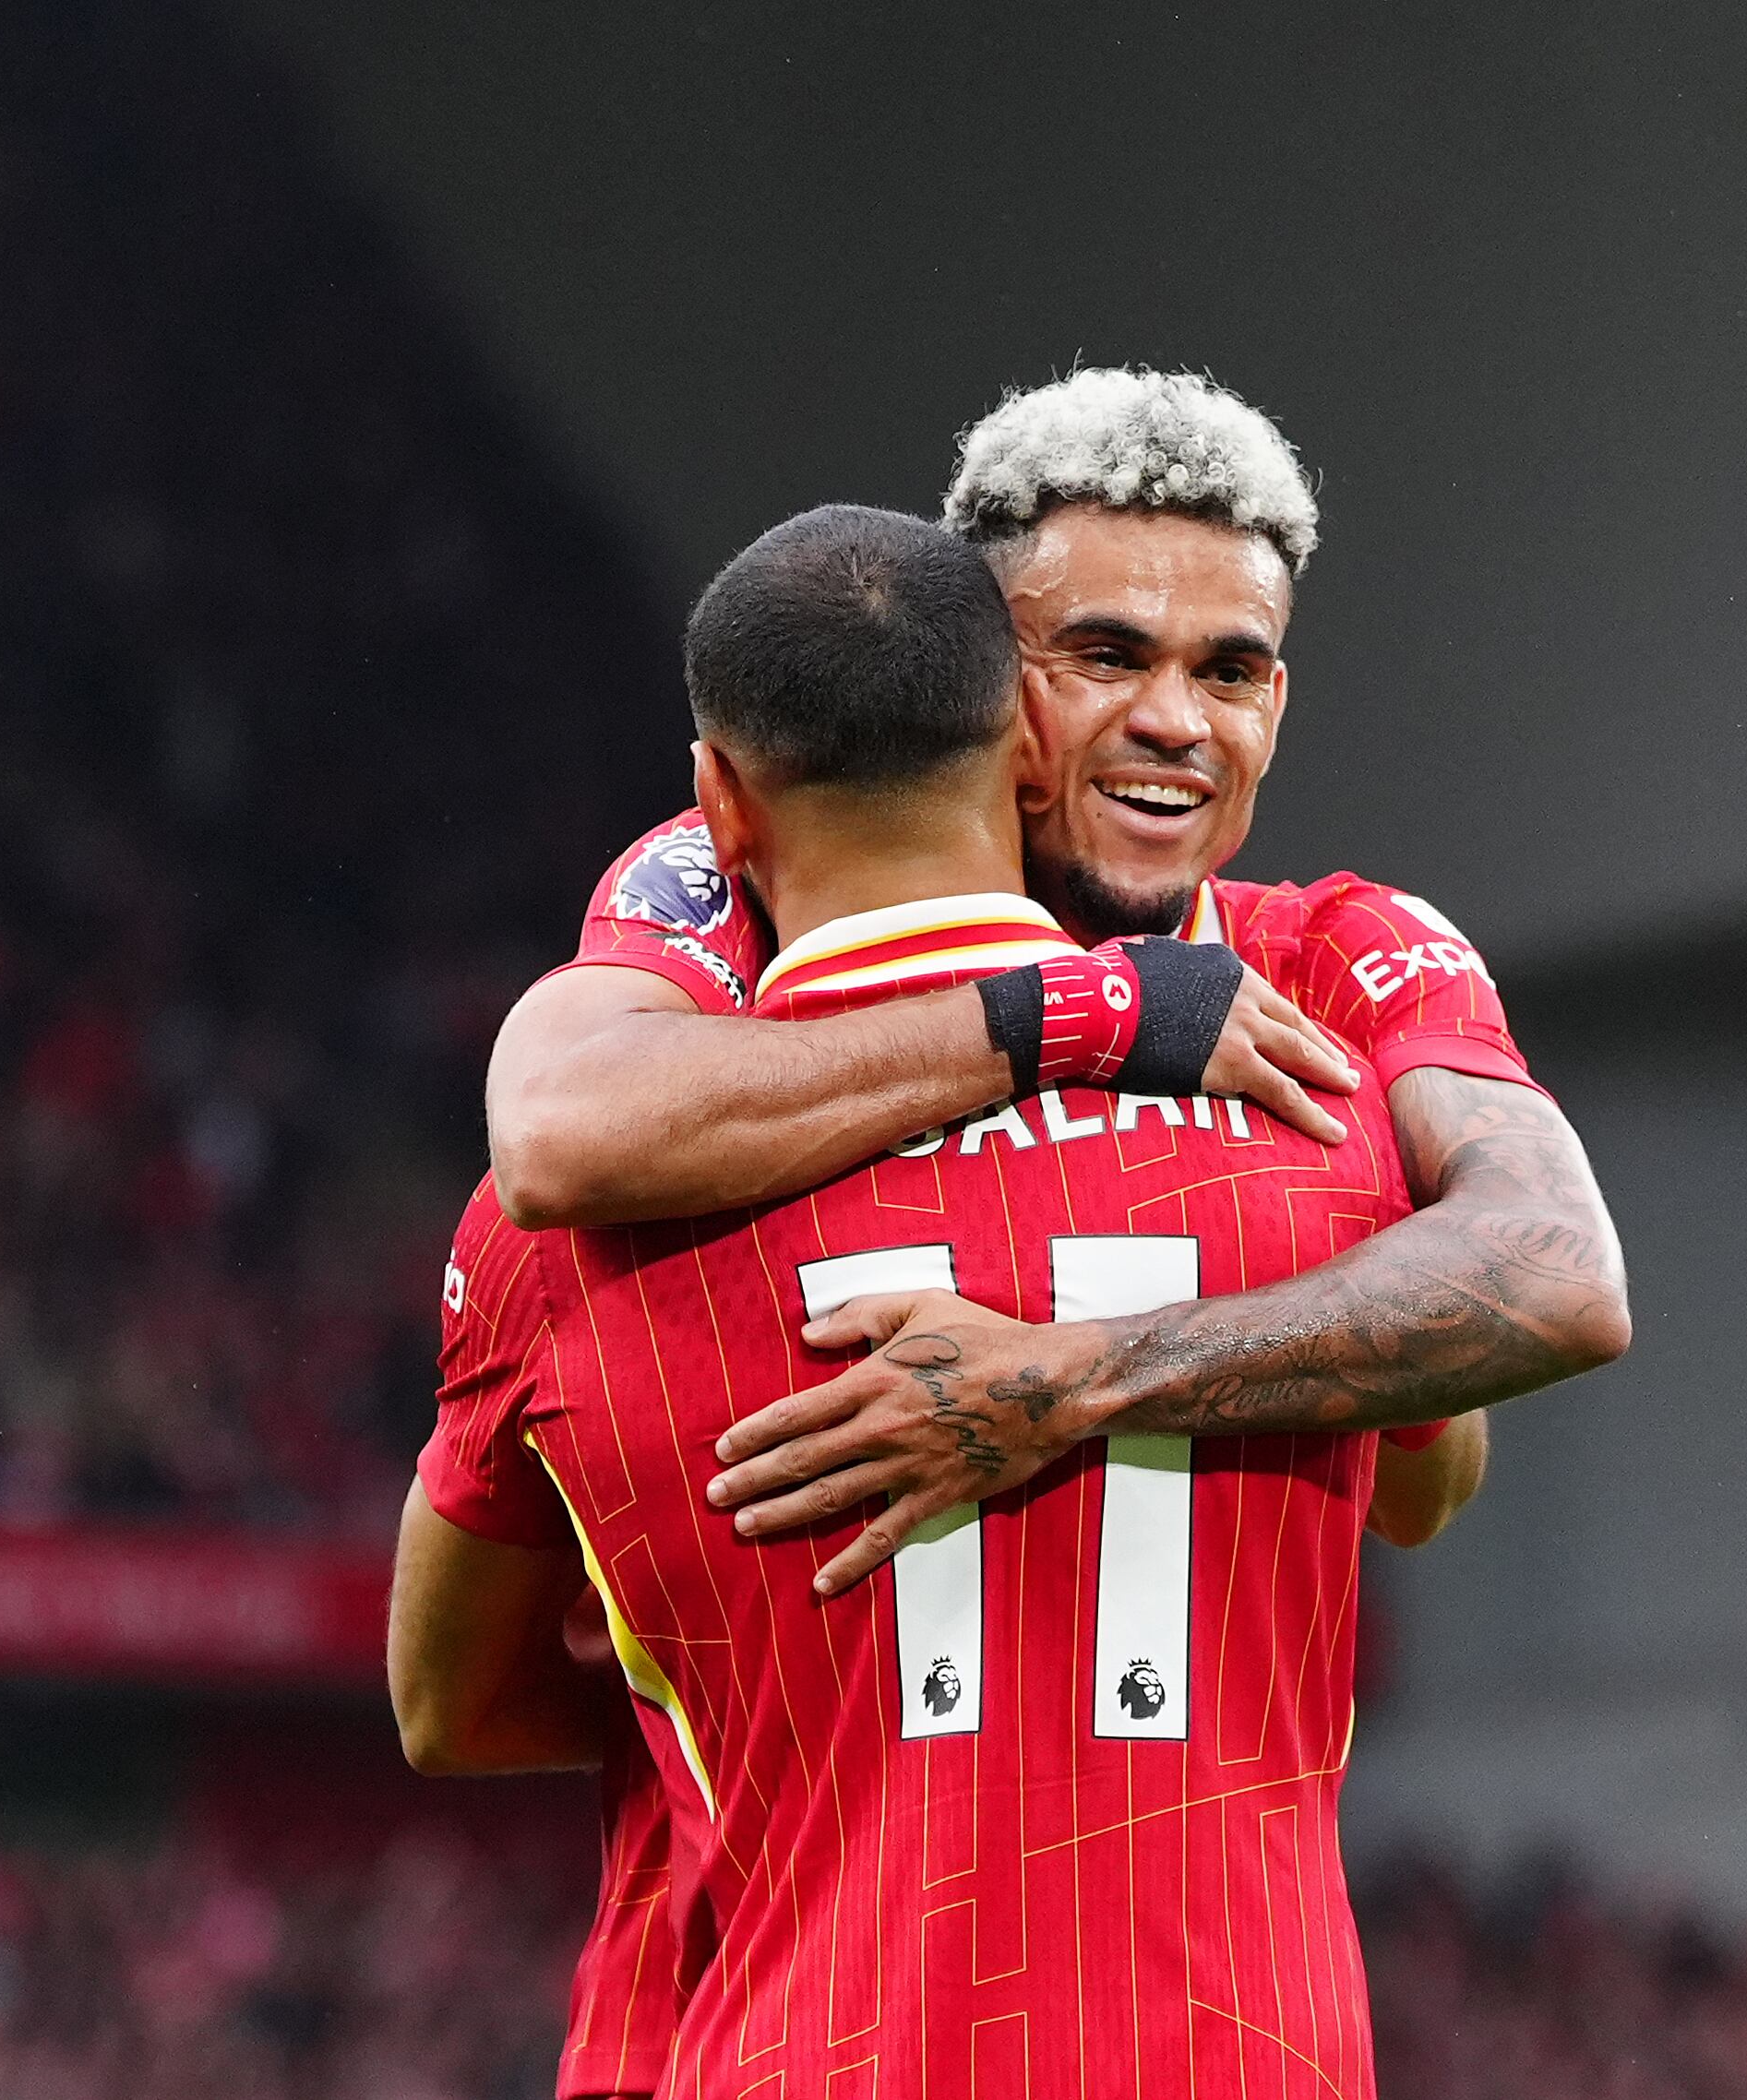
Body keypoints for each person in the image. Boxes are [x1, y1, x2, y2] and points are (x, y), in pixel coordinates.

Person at [397, 502, 1529, 2094]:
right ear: (1025, 740)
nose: (1168, 718)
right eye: (1108, 656)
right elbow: (1435, 1463)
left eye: (1227, 667)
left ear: (719, 797)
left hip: (756, 2038)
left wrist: (776, 1698)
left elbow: (444, 1706)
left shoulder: (566, 1235)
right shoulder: (1315, 1118)